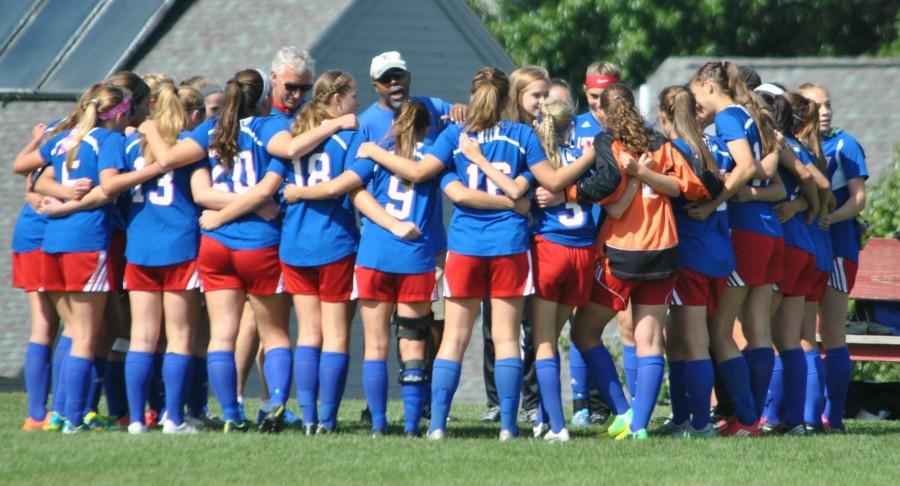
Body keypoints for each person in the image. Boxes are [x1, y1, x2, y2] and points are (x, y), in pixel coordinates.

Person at [138, 68, 357, 433]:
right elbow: (281, 164)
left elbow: (194, 188)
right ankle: (275, 406)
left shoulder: (210, 131)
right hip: (259, 245)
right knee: (275, 335)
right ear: (262, 97)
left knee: (222, 334)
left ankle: (230, 414)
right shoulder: (268, 128)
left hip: (216, 243)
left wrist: (220, 214)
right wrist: (336, 125)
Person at [566, 84, 712, 440]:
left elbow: (605, 185)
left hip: (622, 251)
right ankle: (640, 427)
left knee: (584, 331)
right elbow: (691, 187)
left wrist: (570, 191)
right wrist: (649, 176)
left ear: (604, 110)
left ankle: (623, 411)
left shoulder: (607, 143)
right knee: (650, 341)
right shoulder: (660, 143)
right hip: (663, 248)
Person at [287, 100, 440, 437]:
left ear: (395, 124)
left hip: (374, 257)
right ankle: (413, 427)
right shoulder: (434, 153)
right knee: (413, 344)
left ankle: (378, 425)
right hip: (416, 256)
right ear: (426, 127)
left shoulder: (374, 151)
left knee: (375, 345)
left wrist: (299, 193)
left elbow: (349, 190)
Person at [98, 82, 207, 434]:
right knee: (179, 337)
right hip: (179, 246)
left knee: (141, 336)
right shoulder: (188, 148)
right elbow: (201, 193)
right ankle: (173, 418)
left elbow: (112, 186)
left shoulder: (131, 142)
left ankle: (136, 420)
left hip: (140, 246)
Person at [25, 84, 134, 433]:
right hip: (87, 240)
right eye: (128, 111)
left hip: (53, 242)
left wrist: (59, 198)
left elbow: (36, 178)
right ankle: (73, 418)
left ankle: (57, 415)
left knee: (72, 331)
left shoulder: (66, 138)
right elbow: (107, 187)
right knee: (87, 335)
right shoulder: (109, 139)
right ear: (117, 114)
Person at [687, 61, 783, 436]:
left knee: (719, 329)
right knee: (757, 328)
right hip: (770, 229)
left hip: (746, 230)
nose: (697, 104)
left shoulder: (728, 115)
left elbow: (745, 165)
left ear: (710, 87)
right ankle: (752, 419)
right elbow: (765, 169)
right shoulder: (750, 114)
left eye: (696, 95)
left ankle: (745, 418)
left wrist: (714, 203)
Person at [657, 85, 732, 438]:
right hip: (720, 251)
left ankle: (700, 424)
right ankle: (683, 416)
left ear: (663, 114)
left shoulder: (675, 150)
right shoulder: (715, 145)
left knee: (694, 341)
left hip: (691, 253)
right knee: (679, 339)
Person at [525, 96, 598, 442]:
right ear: (573, 124)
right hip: (583, 252)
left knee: (542, 341)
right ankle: (544, 417)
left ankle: (556, 425)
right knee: (553, 339)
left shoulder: (539, 158)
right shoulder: (585, 158)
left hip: (551, 248)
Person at [799, 82, 867, 432]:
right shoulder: (796, 145)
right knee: (803, 331)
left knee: (832, 330)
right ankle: (808, 415)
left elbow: (859, 199)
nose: (824, 112)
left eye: (827, 105)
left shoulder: (846, 144)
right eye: (816, 106)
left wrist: (831, 217)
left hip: (839, 249)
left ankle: (834, 416)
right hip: (808, 249)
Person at [268, 46, 315, 122]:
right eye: (291, 87)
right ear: (274, 77)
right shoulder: (257, 114)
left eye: (304, 88)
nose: (297, 95)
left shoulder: (315, 113)